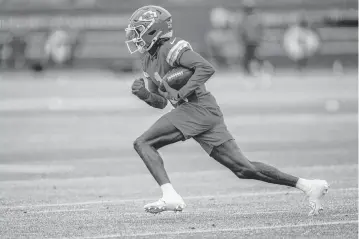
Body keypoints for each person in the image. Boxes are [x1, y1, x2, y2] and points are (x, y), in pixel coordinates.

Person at [125, 5, 328, 216]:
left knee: (143, 143)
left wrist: (181, 92)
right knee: (243, 169)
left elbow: (206, 67)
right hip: (200, 111)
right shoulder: (147, 59)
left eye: (138, 31)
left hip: (197, 107)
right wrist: (145, 95)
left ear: (153, 31)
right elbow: (160, 103)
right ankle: (309, 186)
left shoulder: (171, 47)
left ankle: (170, 195)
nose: (135, 37)